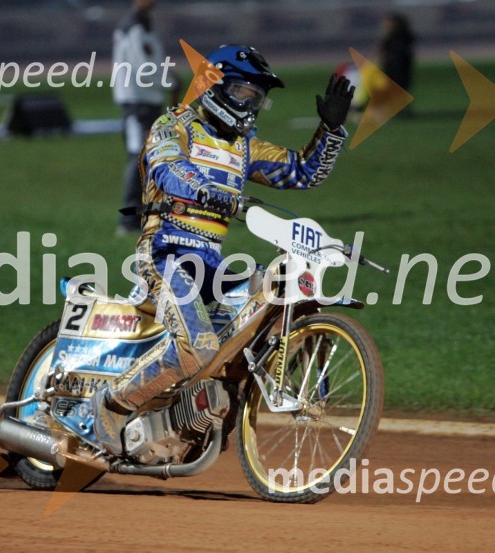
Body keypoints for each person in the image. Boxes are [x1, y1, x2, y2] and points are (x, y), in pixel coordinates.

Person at [92, 44, 354, 453]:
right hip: (164, 254)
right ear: (214, 84)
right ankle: (110, 404)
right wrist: (204, 189)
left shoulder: (244, 145)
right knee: (198, 347)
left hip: (209, 263)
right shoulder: (175, 124)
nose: (251, 104)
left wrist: (331, 130)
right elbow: (166, 165)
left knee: (268, 299)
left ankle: (207, 410)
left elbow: (303, 172)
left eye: (257, 98)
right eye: (243, 93)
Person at [112, 0, 177, 236]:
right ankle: (128, 222)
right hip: (138, 104)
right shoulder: (134, 28)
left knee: (149, 159)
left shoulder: (142, 25)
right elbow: (144, 70)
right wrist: (169, 82)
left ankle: (145, 217)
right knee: (138, 159)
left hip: (147, 102)